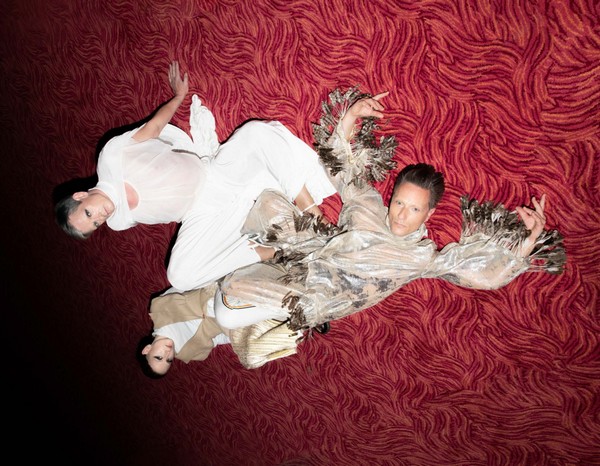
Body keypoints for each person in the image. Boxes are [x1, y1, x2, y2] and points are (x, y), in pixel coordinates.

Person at [138, 87, 565, 373]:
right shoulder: (368, 207)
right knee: (265, 207)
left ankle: (257, 318)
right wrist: (351, 115)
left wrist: (525, 244)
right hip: (307, 256)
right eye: (399, 203)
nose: (401, 216)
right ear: (391, 196)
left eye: (414, 210)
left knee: (229, 304)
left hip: (315, 297)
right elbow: (343, 166)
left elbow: (475, 271)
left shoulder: (421, 256)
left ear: (429, 215)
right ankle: (238, 285)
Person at [55, 61, 336, 290]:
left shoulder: (110, 157)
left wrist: (178, 96)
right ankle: (276, 251)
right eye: (95, 224)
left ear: (81, 195)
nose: (100, 218)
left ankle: (310, 211)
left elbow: (154, 127)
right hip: (200, 214)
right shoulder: (118, 222)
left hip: (214, 177)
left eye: (89, 213)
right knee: (180, 277)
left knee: (255, 134)